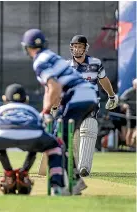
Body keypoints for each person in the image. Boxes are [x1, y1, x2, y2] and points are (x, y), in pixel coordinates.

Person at [21, 29, 99, 195]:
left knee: (57, 142)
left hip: (77, 97)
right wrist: (46, 112)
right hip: (89, 96)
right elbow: (51, 90)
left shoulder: (39, 62)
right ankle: (75, 180)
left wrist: (46, 111)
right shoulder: (50, 55)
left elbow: (54, 87)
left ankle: (71, 182)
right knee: (59, 138)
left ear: (26, 47)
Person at [0, 83, 68, 196]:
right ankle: (57, 187)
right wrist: (25, 170)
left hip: (2, 133)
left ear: (4, 99)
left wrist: (8, 170)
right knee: (55, 146)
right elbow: (38, 132)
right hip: (33, 134)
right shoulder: (32, 110)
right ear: (26, 99)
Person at [66, 35, 118, 176]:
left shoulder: (95, 63)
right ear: (71, 48)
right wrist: (53, 106)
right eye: (75, 46)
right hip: (71, 106)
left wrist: (112, 95)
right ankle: (70, 166)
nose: (77, 49)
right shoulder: (66, 66)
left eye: (80, 46)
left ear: (85, 48)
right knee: (72, 135)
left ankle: (84, 167)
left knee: (88, 129)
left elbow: (104, 80)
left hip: (90, 104)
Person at [120, 79, 136, 148]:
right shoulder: (129, 92)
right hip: (131, 114)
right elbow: (121, 100)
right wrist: (124, 105)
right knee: (130, 130)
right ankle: (128, 146)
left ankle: (133, 145)